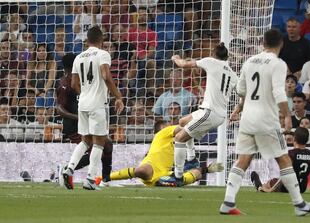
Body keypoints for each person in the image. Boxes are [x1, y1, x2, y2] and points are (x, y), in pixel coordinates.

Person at [219, 28, 310, 216]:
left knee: (242, 160)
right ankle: (300, 206)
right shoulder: (278, 63)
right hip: (266, 119)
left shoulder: (249, 61)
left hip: (248, 119)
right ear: (281, 44)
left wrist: (240, 108)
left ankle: (228, 202)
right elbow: (278, 91)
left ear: (263, 43)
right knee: (283, 158)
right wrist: (287, 115)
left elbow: (241, 90)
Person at [61, 26, 124, 190]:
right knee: (99, 142)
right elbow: (106, 76)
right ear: (101, 39)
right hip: (97, 104)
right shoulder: (103, 54)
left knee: (85, 140)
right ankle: (90, 179)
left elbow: (74, 84)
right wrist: (118, 96)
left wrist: (86, 93)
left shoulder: (78, 57)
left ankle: (69, 169)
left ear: (87, 40)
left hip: (83, 103)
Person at [168, 42, 238, 186]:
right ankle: (192, 158)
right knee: (182, 122)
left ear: (213, 54)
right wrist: (237, 110)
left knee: (179, 138)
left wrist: (175, 58)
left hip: (210, 112)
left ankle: (178, 177)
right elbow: (243, 95)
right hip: (215, 112)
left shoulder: (211, 62)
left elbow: (183, 65)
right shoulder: (232, 74)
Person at [96, 120, 224, 187]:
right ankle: (105, 178)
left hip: (165, 174)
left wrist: (203, 169)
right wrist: (202, 120)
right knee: (142, 171)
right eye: (168, 125)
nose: (170, 126)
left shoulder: (177, 145)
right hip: (151, 165)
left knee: (193, 174)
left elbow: (185, 165)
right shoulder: (163, 134)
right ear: (161, 130)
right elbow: (186, 129)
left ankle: (206, 170)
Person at [56, 53, 114, 186]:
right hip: (74, 125)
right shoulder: (65, 84)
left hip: (87, 119)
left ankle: (105, 180)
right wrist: (77, 117)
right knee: (97, 147)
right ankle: (67, 169)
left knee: (107, 145)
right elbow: (59, 108)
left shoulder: (81, 80)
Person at [251, 127, 310, 194]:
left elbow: (285, 175)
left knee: (270, 182)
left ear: (294, 139)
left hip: (287, 187)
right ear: (307, 140)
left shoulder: (291, 154)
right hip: (302, 188)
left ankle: (259, 187)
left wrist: (271, 189)